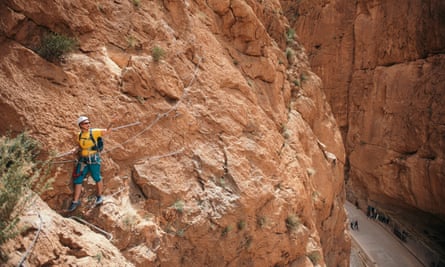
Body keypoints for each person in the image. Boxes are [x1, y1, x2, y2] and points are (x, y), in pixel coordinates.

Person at [67, 116, 114, 212]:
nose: (88, 124)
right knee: (78, 179)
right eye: (85, 123)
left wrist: (111, 122)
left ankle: (99, 196)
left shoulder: (94, 132)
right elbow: (80, 146)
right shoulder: (79, 134)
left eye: (88, 122)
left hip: (93, 159)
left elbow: (107, 131)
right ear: (80, 125)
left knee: (97, 177)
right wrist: (75, 149)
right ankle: (75, 201)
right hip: (83, 159)